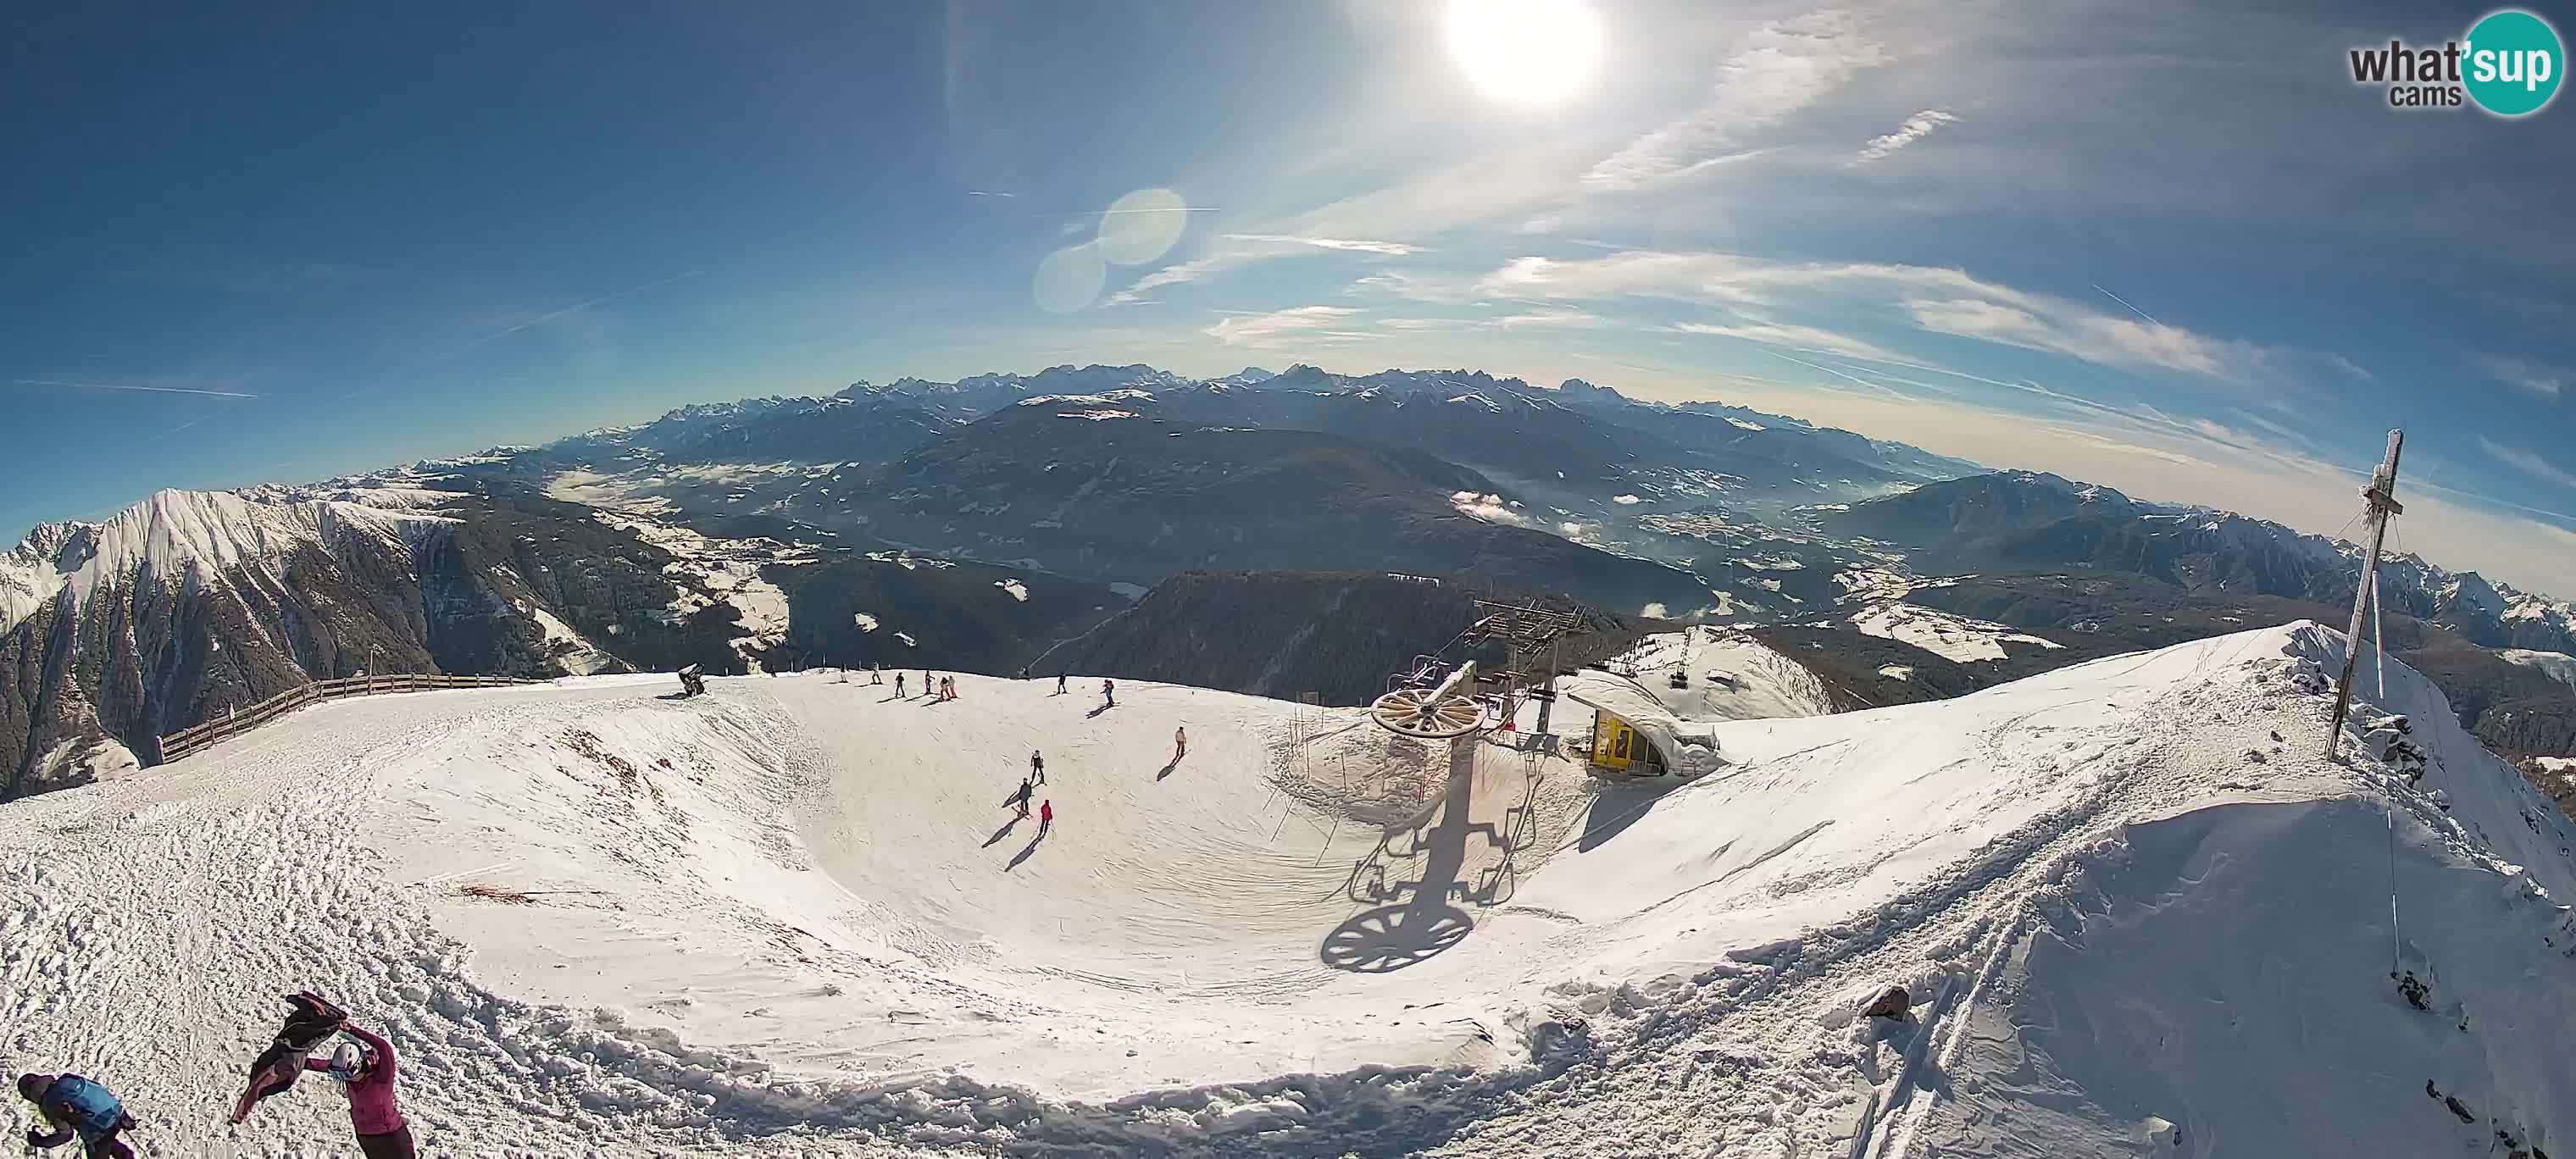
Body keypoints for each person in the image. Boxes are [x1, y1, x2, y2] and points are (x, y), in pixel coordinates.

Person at [308, 1020, 413, 1159]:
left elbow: (384, 1047)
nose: (346, 1079)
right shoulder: (349, 1076)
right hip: (366, 1137)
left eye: (346, 1074)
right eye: (339, 1075)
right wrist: (295, 1061)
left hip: (391, 1136)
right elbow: (317, 1065)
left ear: (359, 1065)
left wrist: (352, 1030)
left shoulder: (382, 1077)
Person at [16, 1073, 136, 1159]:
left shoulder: (50, 1103)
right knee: (105, 1143)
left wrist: (40, 1141)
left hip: (101, 1126)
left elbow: (66, 1135)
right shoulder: (65, 1080)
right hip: (116, 1112)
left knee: (98, 1145)